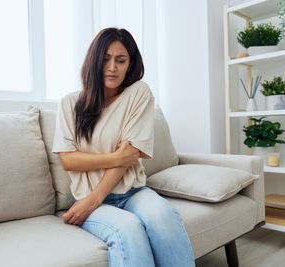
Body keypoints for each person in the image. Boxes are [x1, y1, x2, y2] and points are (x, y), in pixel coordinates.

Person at [52, 27, 195, 267]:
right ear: (94, 61)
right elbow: (69, 160)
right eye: (106, 59)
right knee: (128, 229)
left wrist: (95, 197)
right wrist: (116, 158)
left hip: (132, 193)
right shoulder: (69, 104)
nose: (112, 67)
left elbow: (131, 154)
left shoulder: (138, 93)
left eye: (121, 60)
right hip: (90, 199)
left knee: (163, 216)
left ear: (130, 64)